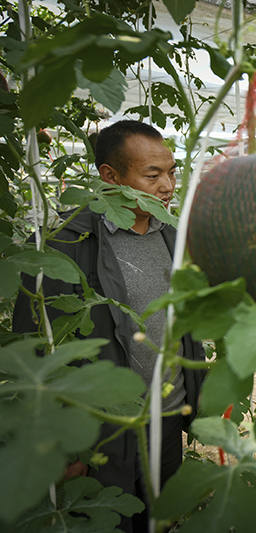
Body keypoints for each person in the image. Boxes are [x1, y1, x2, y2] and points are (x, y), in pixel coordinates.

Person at [13, 120, 206, 533]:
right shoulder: (65, 243)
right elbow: (36, 347)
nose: (168, 186)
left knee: (161, 522)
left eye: (171, 172)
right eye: (152, 175)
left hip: (168, 419)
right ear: (110, 176)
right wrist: (62, 441)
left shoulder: (172, 235)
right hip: (102, 431)